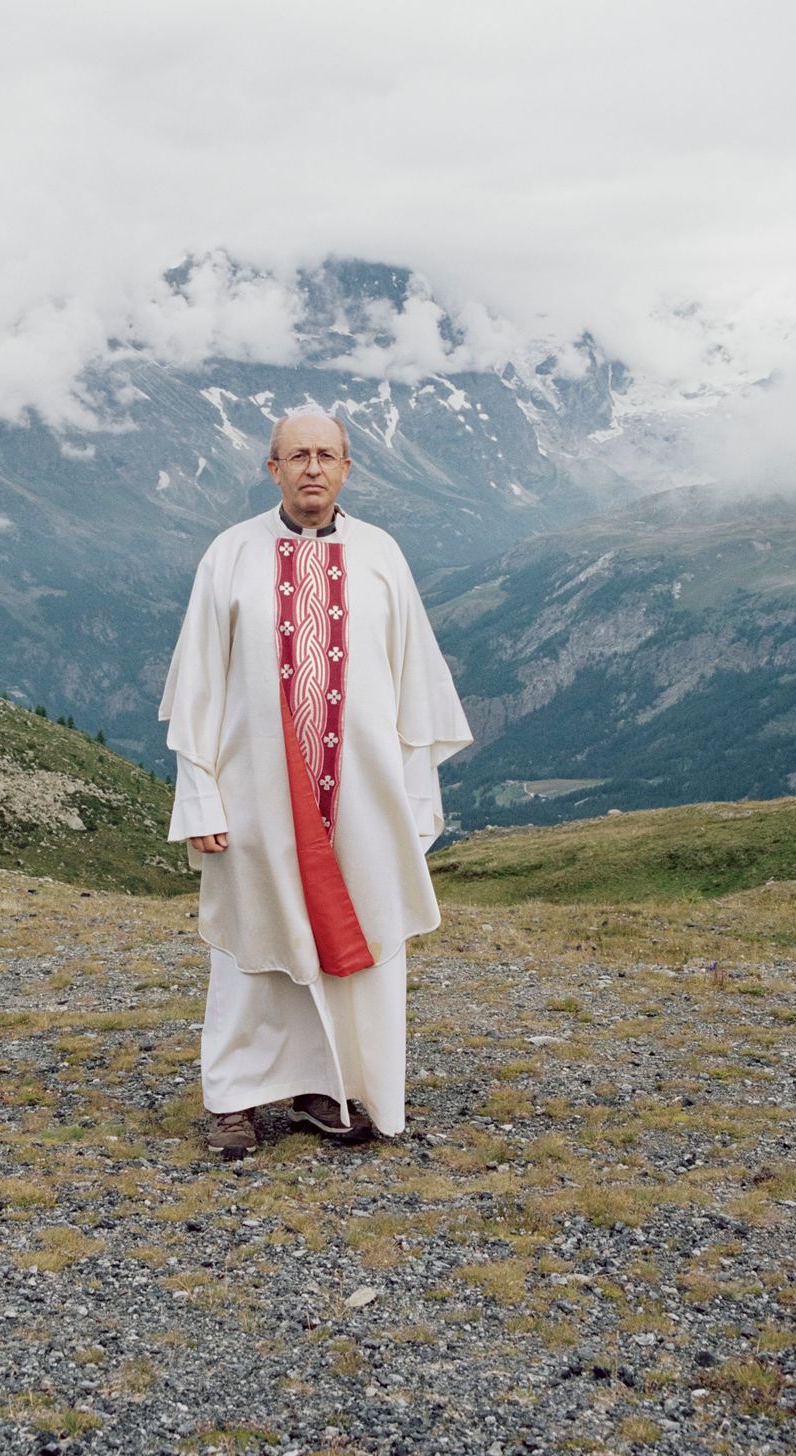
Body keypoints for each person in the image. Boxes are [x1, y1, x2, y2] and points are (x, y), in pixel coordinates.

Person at [159, 408, 473, 1158]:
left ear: (347, 468)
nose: (311, 469)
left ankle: (323, 1090)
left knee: (350, 940)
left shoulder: (381, 556)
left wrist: (412, 800)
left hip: (361, 798)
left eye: (326, 455)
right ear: (271, 468)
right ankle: (234, 1101)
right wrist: (200, 794)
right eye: (295, 455)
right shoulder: (229, 556)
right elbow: (196, 689)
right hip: (255, 796)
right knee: (250, 950)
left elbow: (413, 686)